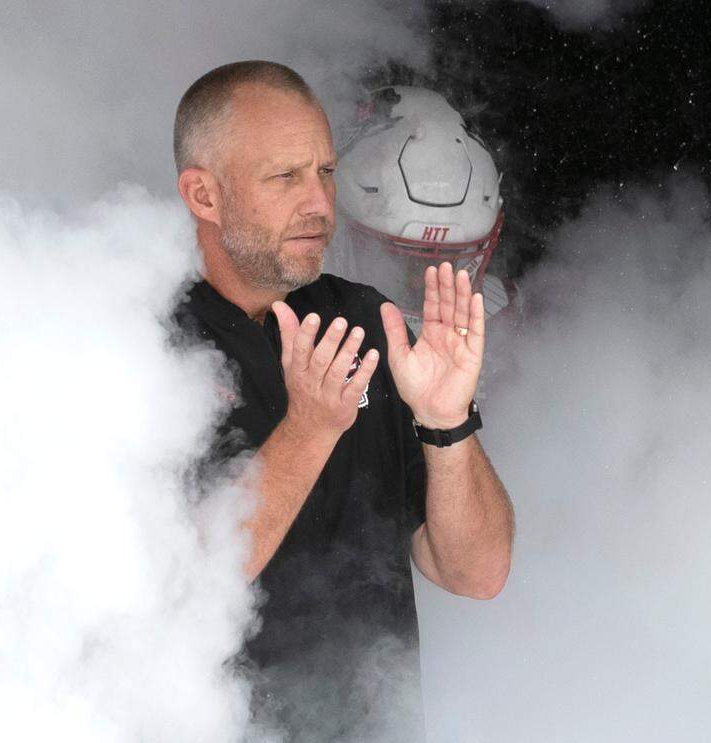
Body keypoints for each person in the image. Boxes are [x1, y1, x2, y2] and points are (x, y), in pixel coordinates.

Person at [171, 61, 514, 742]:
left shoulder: (365, 321)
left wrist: (447, 421)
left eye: (325, 173)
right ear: (204, 195)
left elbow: (477, 573)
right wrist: (310, 428)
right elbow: (172, 588)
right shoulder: (137, 347)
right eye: (285, 177)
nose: (321, 204)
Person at [330, 85, 520, 337]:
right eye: (404, 261)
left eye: (448, 263)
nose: (420, 282)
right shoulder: (295, 306)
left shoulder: (506, 320)